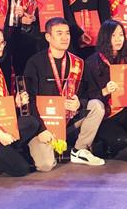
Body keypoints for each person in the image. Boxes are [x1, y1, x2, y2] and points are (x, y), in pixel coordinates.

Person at [0, 26, 56, 177]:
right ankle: (0, 154)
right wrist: (0, 134)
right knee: (22, 169)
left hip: (3, 122)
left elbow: (1, 105)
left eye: (2, 42)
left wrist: (16, 102)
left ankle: (9, 149)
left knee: (31, 122)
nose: (1, 46)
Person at [23, 18, 106, 166]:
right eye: (59, 33)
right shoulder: (34, 63)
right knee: (46, 165)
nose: (65, 37)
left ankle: (80, 150)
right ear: (48, 37)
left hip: (69, 119)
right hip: (45, 124)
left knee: (96, 106)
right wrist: (41, 130)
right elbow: (29, 100)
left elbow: (90, 93)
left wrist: (79, 103)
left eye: (67, 33)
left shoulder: (78, 63)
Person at [83, 19, 127, 163]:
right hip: (106, 114)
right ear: (105, 37)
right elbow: (86, 97)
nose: (118, 39)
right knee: (119, 141)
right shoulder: (92, 62)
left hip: (126, 110)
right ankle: (105, 145)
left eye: (121, 35)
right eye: (113, 35)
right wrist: (105, 91)